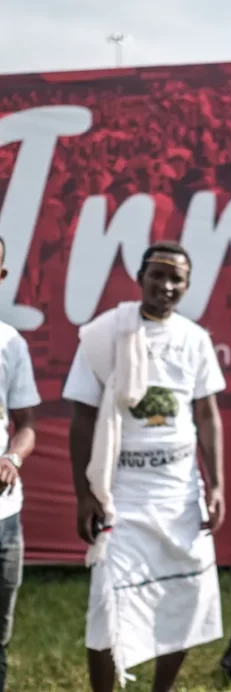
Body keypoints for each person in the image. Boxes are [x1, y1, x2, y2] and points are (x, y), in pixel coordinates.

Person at [63, 241, 226, 691]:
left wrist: (216, 486)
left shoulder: (194, 339)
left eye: (177, 279)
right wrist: (85, 494)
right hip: (122, 493)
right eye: (158, 275)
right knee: (106, 603)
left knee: (183, 597)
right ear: (140, 277)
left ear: (188, 287)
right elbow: (82, 418)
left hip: (179, 492)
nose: (167, 286)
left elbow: (208, 415)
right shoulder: (102, 334)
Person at [0, 237, 40, 692]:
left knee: (0, 635)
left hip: (4, 518)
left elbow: (27, 425)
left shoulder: (10, 342)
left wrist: (12, 457)